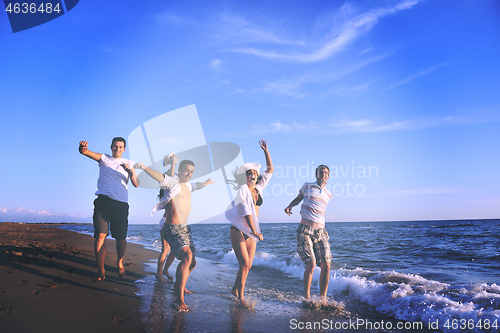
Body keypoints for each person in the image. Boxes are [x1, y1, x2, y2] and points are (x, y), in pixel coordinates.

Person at [135, 155, 214, 311]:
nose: (188, 174)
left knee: (192, 263)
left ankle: (180, 284)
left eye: (191, 172)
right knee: (187, 256)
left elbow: (198, 185)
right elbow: (160, 176)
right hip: (171, 227)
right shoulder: (174, 183)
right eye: (185, 171)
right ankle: (179, 299)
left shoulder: (189, 185)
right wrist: (144, 167)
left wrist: (207, 183)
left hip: (185, 229)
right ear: (179, 170)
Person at [79, 138, 139, 281]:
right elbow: (85, 152)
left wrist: (129, 172)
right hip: (103, 203)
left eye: (120, 147)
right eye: (115, 146)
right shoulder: (104, 158)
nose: (117, 149)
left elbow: (136, 184)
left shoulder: (129, 163)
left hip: (120, 204)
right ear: (111, 147)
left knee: (121, 238)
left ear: (124, 149)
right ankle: (101, 271)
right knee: (100, 235)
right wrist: (82, 148)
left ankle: (119, 262)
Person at [225, 140, 273, 307]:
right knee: (244, 264)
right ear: (244, 177)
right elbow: (246, 213)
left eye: (254, 174)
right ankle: (241, 297)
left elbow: (270, 170)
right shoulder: (243, 190)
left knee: (248, 265)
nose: (252, 176)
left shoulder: (258, 189)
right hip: (239, 230)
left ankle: (234, 290)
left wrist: (266, 151)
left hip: (251, 233)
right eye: (249, 174)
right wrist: (256, 231)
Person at [284, 165, 332, 306]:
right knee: (311, 264)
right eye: (321, 172)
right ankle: (307, 298)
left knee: (326, 265)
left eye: (326, 173)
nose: (323, 175)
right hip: (305, 230)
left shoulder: (329, 195)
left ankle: (323, 299)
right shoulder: (307, 186)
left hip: (321, 232)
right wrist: (290, 206)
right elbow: (298, 199)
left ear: (328, 177)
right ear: (316, 175)